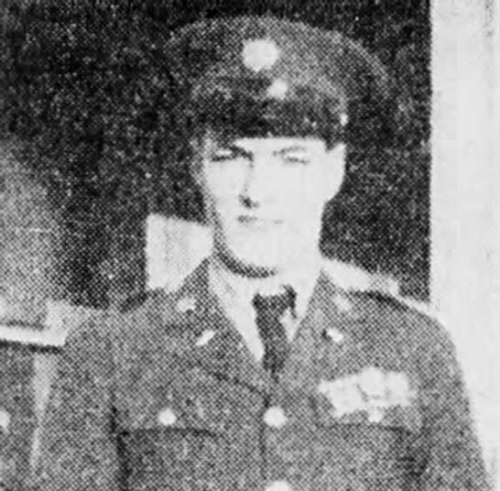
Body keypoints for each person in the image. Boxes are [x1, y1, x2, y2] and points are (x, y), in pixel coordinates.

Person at [33, 16, 488, 491]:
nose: (257, 191)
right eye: (231, 157)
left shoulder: (414, 348)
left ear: (333, 171)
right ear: (196, 166)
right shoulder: (111, 350)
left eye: (292, 160)